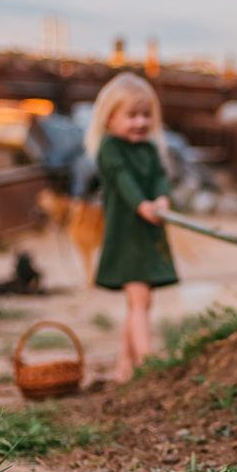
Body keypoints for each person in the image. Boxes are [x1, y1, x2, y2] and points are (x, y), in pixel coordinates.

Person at [86, 72, 179, 383]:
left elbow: (158, 177)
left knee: (141, 300)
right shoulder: (110, 148)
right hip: (127, 233)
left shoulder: (149, 150)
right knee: (139, 299)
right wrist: (142, 205)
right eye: (131, 115)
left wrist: (163, 198)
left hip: (147, 230)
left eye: (146, 115)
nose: (140, 122)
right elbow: (124, 180)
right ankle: (148, 363)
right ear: (109, 118)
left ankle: (124, 367)